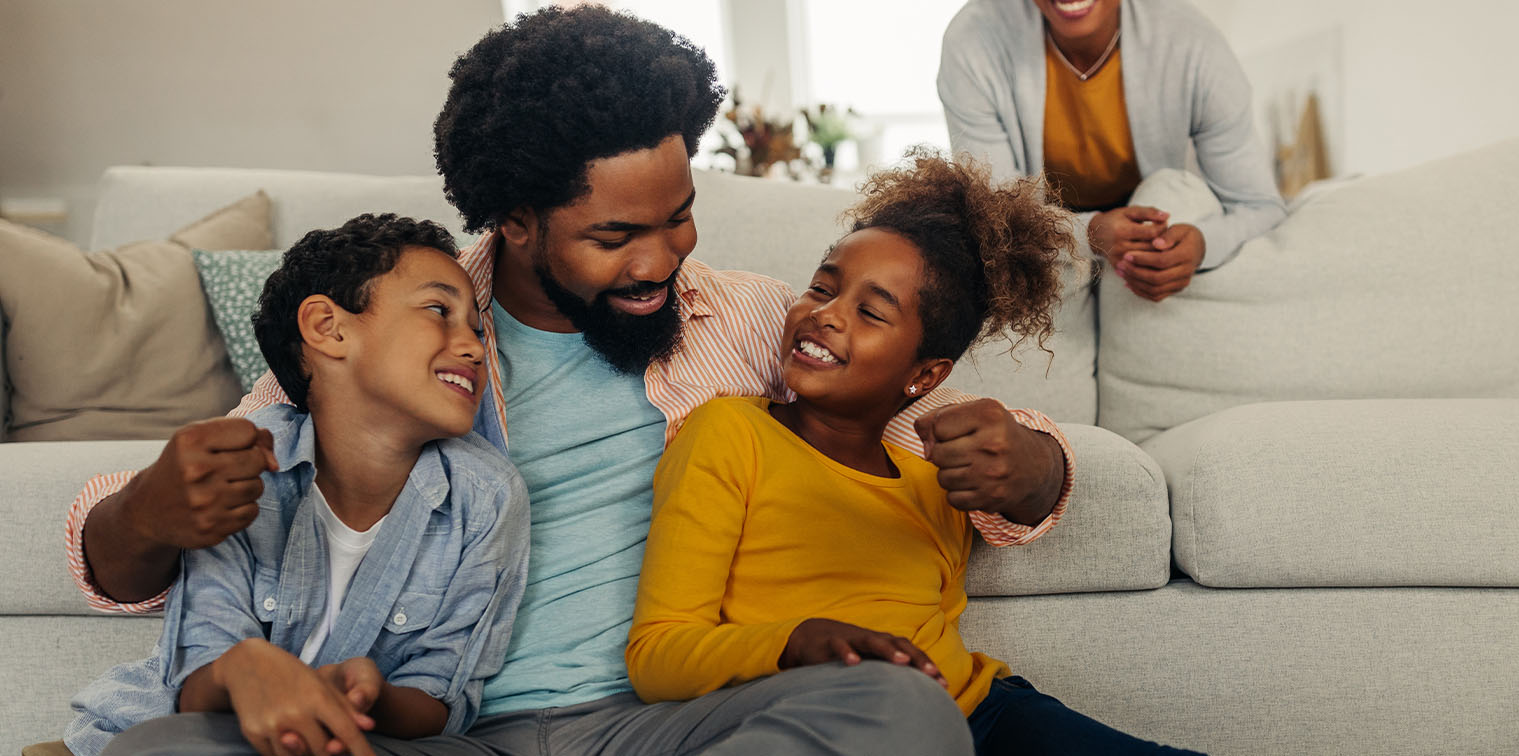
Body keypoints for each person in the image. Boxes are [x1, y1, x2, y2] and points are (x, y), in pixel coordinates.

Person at [61, 7, 1078, 754]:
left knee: (902, 714)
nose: (661, 258)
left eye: (676, 213)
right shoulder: (410, 338)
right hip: (446, 733)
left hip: (678, 730)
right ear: (514, 222)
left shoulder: (752, 317)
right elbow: (145, 536)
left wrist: (1025, 465)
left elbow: (942, 435)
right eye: (613, 235)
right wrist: (152, 507)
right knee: (169, 752)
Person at [625, 152, 1201, 755]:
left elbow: (1028, 476)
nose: (825, 314)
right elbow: (657, 657)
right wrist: (795, 641)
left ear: (925, 376)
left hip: (983, 711)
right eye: (822, 286)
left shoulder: (938, 473)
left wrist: (1030, 462)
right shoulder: (729, 432)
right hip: (834, 719)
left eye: (870, 312)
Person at [67, 214, 529, 756]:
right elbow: (195, 682)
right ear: (329, 329)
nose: (474, 346)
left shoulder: (488, 495)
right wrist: (246, 667)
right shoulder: (246, 468)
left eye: (476, 327)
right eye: (438, 311)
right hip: (207, 731)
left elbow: (443, 695)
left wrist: (372, 696)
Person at [938, 0, 1287, 302]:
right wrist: (1087, 234)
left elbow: (1261, 207)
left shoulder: (1192, 44)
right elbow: (995, 218)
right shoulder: (974, 40)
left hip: (1160, 227)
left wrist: (1203, 245)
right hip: (1042, 245)